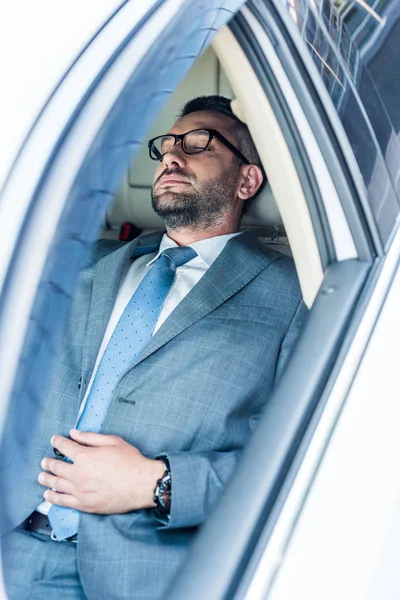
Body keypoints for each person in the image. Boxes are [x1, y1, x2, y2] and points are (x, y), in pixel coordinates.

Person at [1, 95, 307, 599]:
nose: (171, 155)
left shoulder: (295, 296)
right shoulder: (82, 263)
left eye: (199, 143)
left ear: (247, 180)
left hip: (149, 573)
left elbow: (299, 457)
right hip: (18, 541)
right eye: (167, 144)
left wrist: (157, 485)